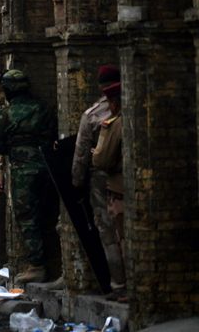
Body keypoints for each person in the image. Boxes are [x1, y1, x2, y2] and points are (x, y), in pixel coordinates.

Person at [0, 69, 57, 284]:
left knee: (27, 216)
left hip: (22, 170)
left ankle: (37, 265)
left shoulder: (6, 113)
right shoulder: (43, 108)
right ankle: (56, 263)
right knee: (50, 215)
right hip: (48, 167)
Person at [70, 65, 125, 296]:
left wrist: (76, 182)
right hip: (129, 177)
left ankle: (119, 284)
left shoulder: (92, 115)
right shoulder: (131, 106)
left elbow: (81, 154)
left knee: (109, 232)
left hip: (103, 181)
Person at [90, 81, 125, 300]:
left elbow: (101, 159)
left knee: (117, 237)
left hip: (118, 189)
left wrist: (98, 146)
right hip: (128, 187)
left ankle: (121, 286)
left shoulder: (114, 124)